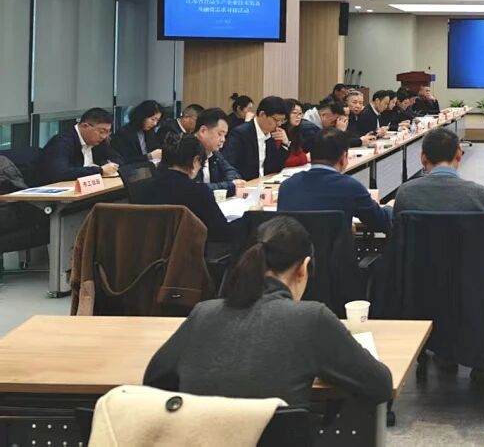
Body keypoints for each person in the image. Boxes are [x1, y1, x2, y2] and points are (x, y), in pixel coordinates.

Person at [144, 216, 393, 409]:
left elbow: (154, 380)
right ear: (304, 268)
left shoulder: (203, 313)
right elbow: (380, 385)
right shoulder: (312, 319)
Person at [277, 128, 393, 232]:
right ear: (343, 158)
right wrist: (390, 207)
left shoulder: (287, 186)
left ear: (311, 156)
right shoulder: (350, 187)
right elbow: (380, 222)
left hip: (296, 249)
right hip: (334, 249)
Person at [142, 133, 230, 243]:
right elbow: (222, 232)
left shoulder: (147, 187)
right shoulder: (197, 191)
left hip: (153, 247)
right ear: (195, 160)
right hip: (190, 249)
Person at [393, 128, 484, 218]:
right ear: (458, 155)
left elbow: (397, 229)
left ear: (423, 159)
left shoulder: (406, 193)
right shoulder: (480, 195)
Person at [38, 107, 124, 182]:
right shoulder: (62, 142)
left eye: (107, 132)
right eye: (101, 131)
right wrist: (99, 170)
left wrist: (107, 166)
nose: (104, 136)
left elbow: (118, 159)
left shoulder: (98, 141)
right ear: (85, 126)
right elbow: (59, 173)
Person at [221, 96, 289, 181]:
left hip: (266, 182)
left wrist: (285, 144)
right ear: (262, 114)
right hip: (246, 184)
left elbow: (277, 167)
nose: (279, 124)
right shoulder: (240, 134)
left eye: (282, 121)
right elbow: (229, 165)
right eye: (276, 120)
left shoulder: (273, 134)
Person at [192, 108, 246, 197]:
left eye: (225, 135)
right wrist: (230, 186)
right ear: (203, 131)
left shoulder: (214, 152)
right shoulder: (186, 151)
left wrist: (233, 183)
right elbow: (195, 188)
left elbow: (232, 172)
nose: (223, 140)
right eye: (220, 134)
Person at [282, 99, 309, 168]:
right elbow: (284, 162)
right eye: (294, 113)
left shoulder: (295, 131)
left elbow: (299, 153)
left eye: (300, 114)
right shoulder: (279, 132)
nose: (298, 117)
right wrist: (305, 158)